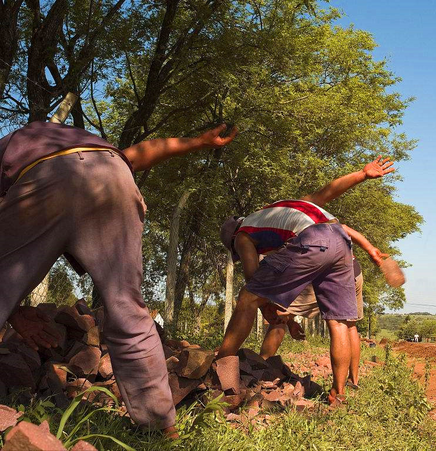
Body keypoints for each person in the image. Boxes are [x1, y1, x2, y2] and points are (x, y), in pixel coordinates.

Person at [0, 120, 238, 436]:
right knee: (127, 309)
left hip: (45, 177)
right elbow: (138, 154)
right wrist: (197, 141)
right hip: (111, 174)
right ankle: (162, 428)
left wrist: (12, 306)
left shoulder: (14, 144)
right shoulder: (89, 144)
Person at [217, 157, 394, 404]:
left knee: (247, 298)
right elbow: (328, 191)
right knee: (340, 322)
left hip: (313, 240)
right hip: (342, 243)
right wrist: (362, 175)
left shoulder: (243, 233)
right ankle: (338, 394)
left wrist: (268, 306)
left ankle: (221, 367)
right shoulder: (285, 208)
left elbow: (253, 280)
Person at [257, 225, 386, 390]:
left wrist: (288, 317)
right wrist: (370, 248)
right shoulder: (316, 219)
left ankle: (263, 364)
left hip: (333, 271)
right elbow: (344, 228)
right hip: (353, 270)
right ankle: (352, 382)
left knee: (280, 310)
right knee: (348, 325)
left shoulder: (283, 232)